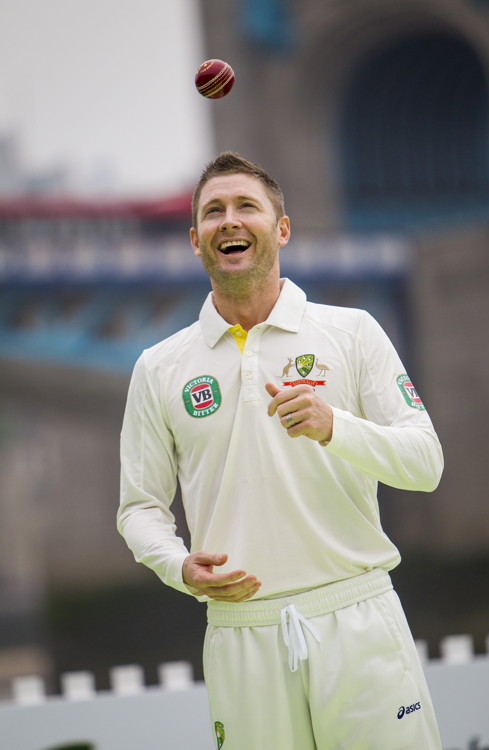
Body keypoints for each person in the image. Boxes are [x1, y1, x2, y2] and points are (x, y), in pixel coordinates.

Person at [118, 152, 444, 750]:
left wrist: (335, 427)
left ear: (282, 228)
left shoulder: (352, 332)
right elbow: (139, 508)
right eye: (213, 212)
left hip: (357, 615)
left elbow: (426, 463)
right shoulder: (159, 367)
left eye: (247, 206)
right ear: (196, 240)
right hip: (242, 632)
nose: (230, 220)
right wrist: (178, 566)